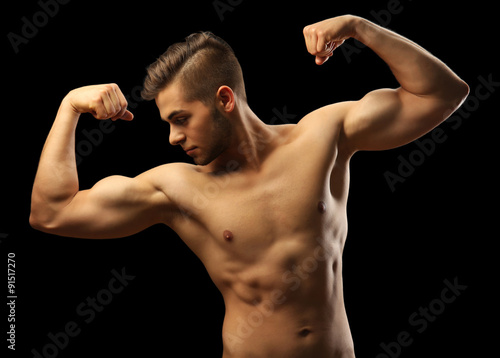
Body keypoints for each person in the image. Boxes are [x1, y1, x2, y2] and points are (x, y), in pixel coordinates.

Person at [30, 15, 468, 357]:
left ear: (224, 99)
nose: (172, 138)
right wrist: (69, 108)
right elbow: (52, 213)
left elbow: (442, 94)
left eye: (181, 119)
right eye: (168, 124)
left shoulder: (322, 137)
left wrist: (361, 27)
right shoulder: (178, 189)